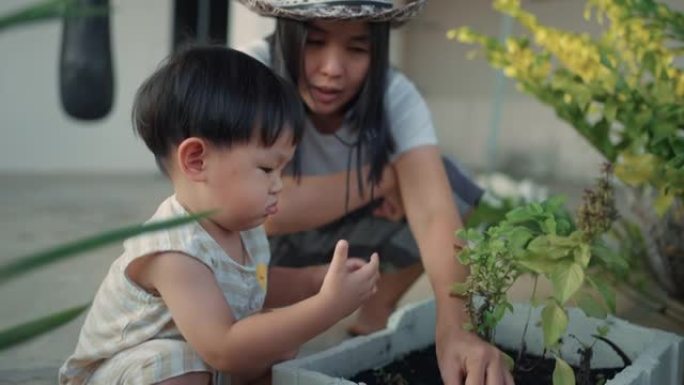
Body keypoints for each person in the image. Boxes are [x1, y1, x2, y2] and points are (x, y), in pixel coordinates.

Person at [58, 45, 380, 385]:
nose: (278, 185)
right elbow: (224, 348)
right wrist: (328, 307)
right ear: (197, 160)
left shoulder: (242, 226)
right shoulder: (173, 251)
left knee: (276, 343)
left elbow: (252, 285)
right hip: (123, 373)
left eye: (283, 169)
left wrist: (315, 280)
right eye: (267, 168)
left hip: (198, 355)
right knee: (182, 364)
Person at [236, 1, 514, 384]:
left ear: (377, 50)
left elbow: (434, 211)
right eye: (315, 42)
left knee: (450, 183)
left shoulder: (394, 93)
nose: (333, 69)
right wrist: (384, 179)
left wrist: (457, 330)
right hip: (261, 249)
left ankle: (376, 306)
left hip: (348, 244)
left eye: (356, 48)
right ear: (286, 35)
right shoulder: (247, 74)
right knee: (248, 357)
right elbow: (258, 210)